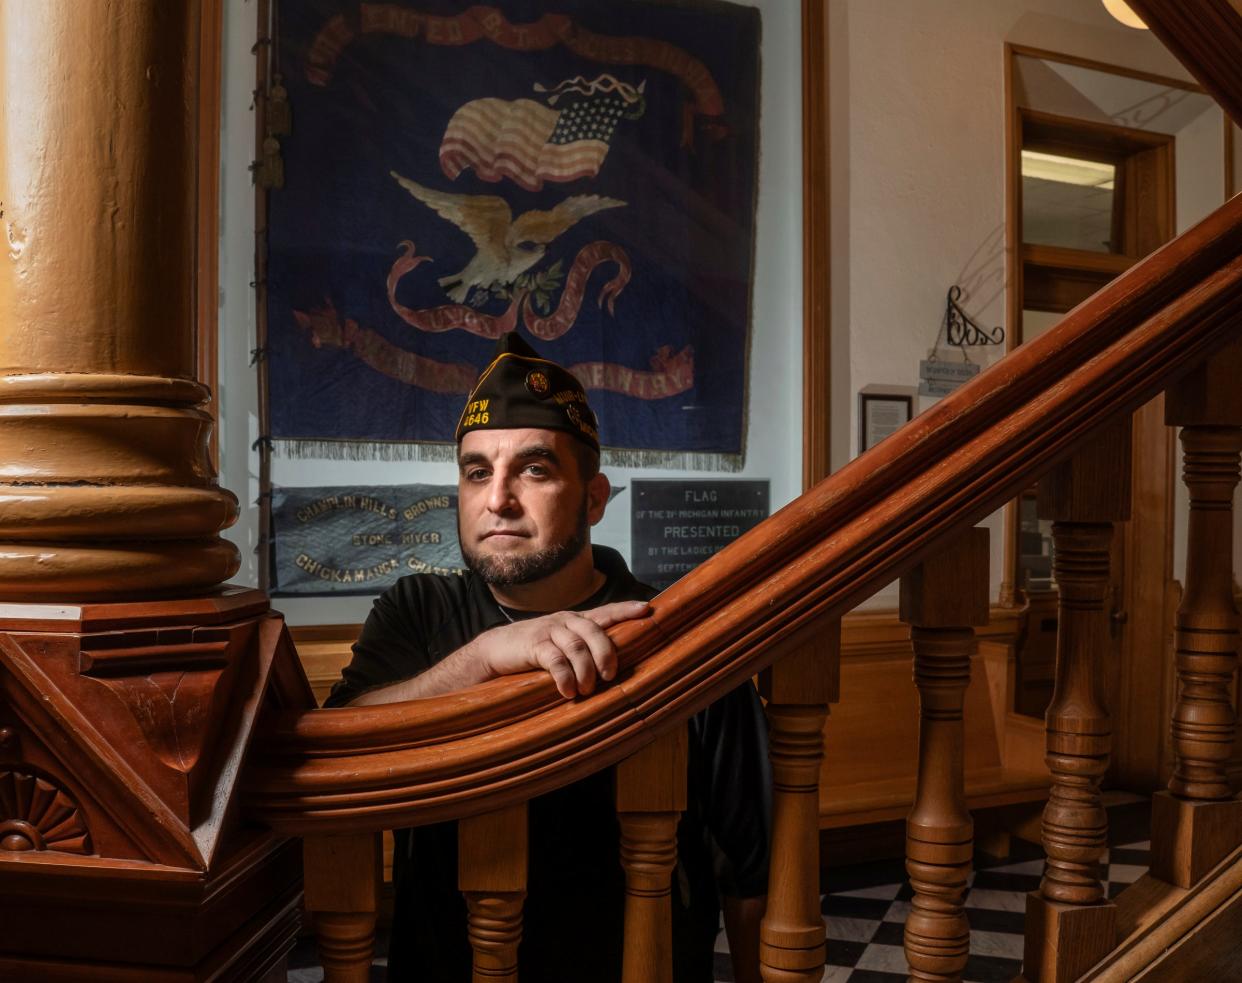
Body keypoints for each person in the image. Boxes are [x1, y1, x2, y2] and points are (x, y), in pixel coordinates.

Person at [326, 332, 771, 983]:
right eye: (477, 472)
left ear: (593, 497)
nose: (497, 498)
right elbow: (339, 741)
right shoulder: (417, 611)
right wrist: (484, 657)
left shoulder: (678, 633)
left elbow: (750, 860)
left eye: (533, 469)